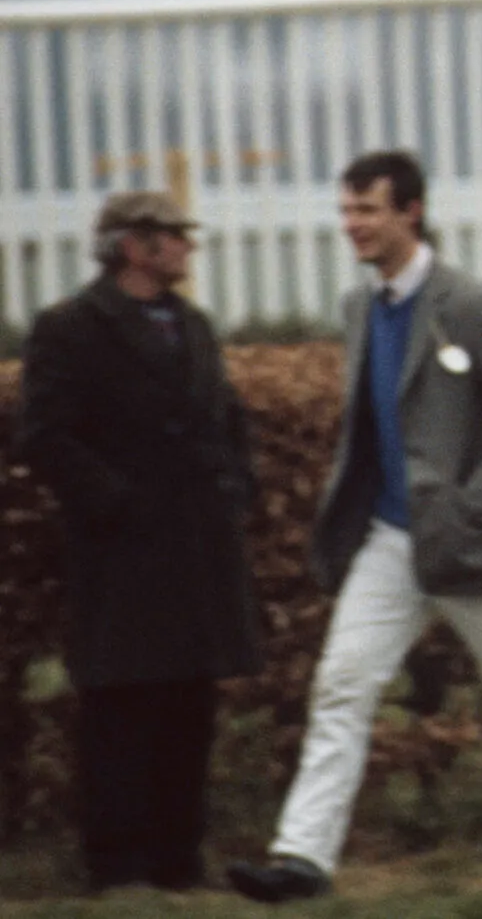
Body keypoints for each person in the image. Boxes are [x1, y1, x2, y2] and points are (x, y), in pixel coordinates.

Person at [227, 150, 482, 902]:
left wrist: (470, 505)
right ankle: (302, 861)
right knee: (342, 686)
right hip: (390, 541)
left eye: (366, 210)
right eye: (347, 211)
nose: (352, 226)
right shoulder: (362, 306)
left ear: (410, 213)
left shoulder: (471, 303)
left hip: (476, 542)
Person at [12, 189, 262, 893]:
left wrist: (235, 486)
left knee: (189, 704)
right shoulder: (71, 327)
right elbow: (46, 435)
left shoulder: (194, 325)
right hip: (122, 555)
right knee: (122, 709)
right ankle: (116, 866)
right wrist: (114, 502)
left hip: (196, 551)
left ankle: (178, 861)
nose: (188, 247)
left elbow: (228, 417)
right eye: (174, 236)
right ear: (135, 246)